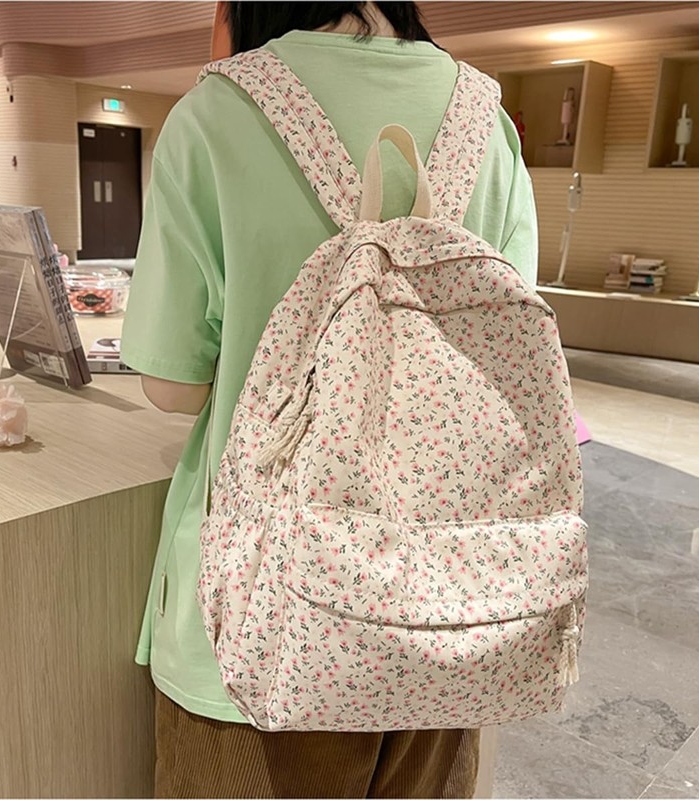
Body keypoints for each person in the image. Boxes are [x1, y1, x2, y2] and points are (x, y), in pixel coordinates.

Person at [120, 2, 538, 797]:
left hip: (266, 626)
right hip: (444, 612)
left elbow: (173, 387)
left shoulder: (216, 114)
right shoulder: (489, 123)